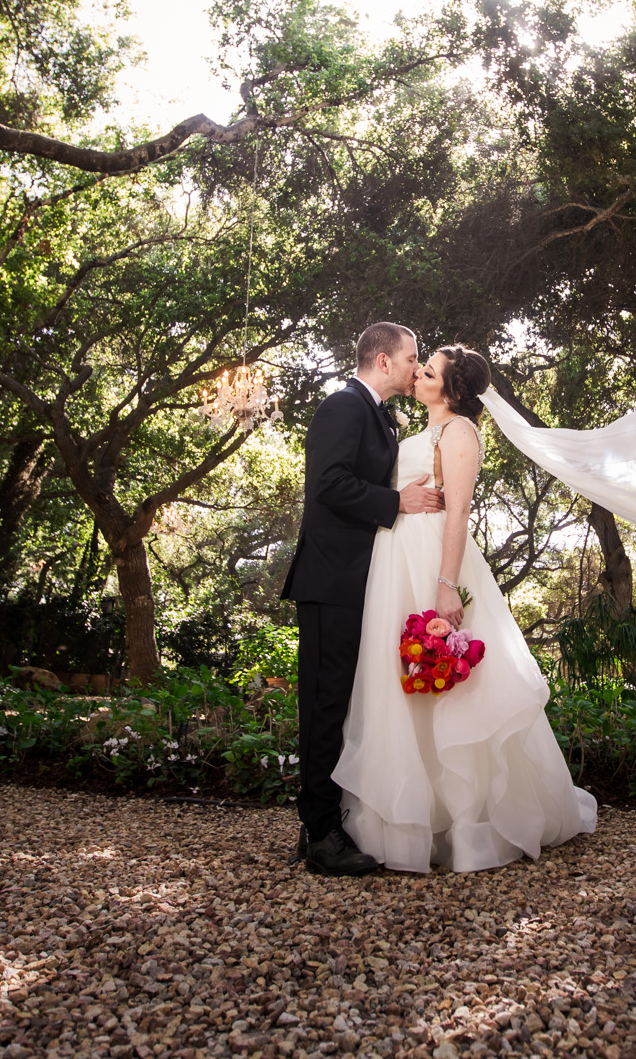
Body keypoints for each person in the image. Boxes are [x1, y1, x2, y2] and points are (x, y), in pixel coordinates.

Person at [332, 344, 598, 872]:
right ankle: (408, 814)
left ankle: (471, 823)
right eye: (420, 366)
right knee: (402, 683)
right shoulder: (415, 429)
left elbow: (459, 513)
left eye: (428, 372)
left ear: (452, 391)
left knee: (452, 689)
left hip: (431, 557)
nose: (418, 374)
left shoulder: (459, 432)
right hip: (395, 557)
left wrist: (446, 584)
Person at [280, 322, 445, 875]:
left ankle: (326, 824)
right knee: (325, 705)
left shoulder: (379, 415)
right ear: (381, 361)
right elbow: (327, 484)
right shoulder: (343, 407)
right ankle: (321, 834)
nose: (415, 368)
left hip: (360, 582)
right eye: (410, 358)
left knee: (345, 704)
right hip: (331, 581)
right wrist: (397, 501)